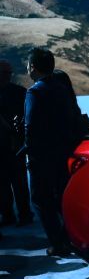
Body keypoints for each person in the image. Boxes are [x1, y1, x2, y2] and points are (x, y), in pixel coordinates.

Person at [22, 48, 78, 256]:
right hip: (63, 151)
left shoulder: (35, 92)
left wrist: (30, 154)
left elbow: (30, 127)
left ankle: (58, 243)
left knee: (40, 199)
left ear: (32, 67)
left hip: (42, 155)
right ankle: (70, 238)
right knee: (60, 197)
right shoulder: (62, 88)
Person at [0, 59, 32, 227]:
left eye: (8, 73)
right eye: (4, 73)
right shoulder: (21, 92)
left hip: (14, 145)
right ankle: (11, 214)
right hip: (11, 145)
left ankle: (22, 214)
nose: (7, 76)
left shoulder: (21, 93)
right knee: (6, 184)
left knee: (17, 183)